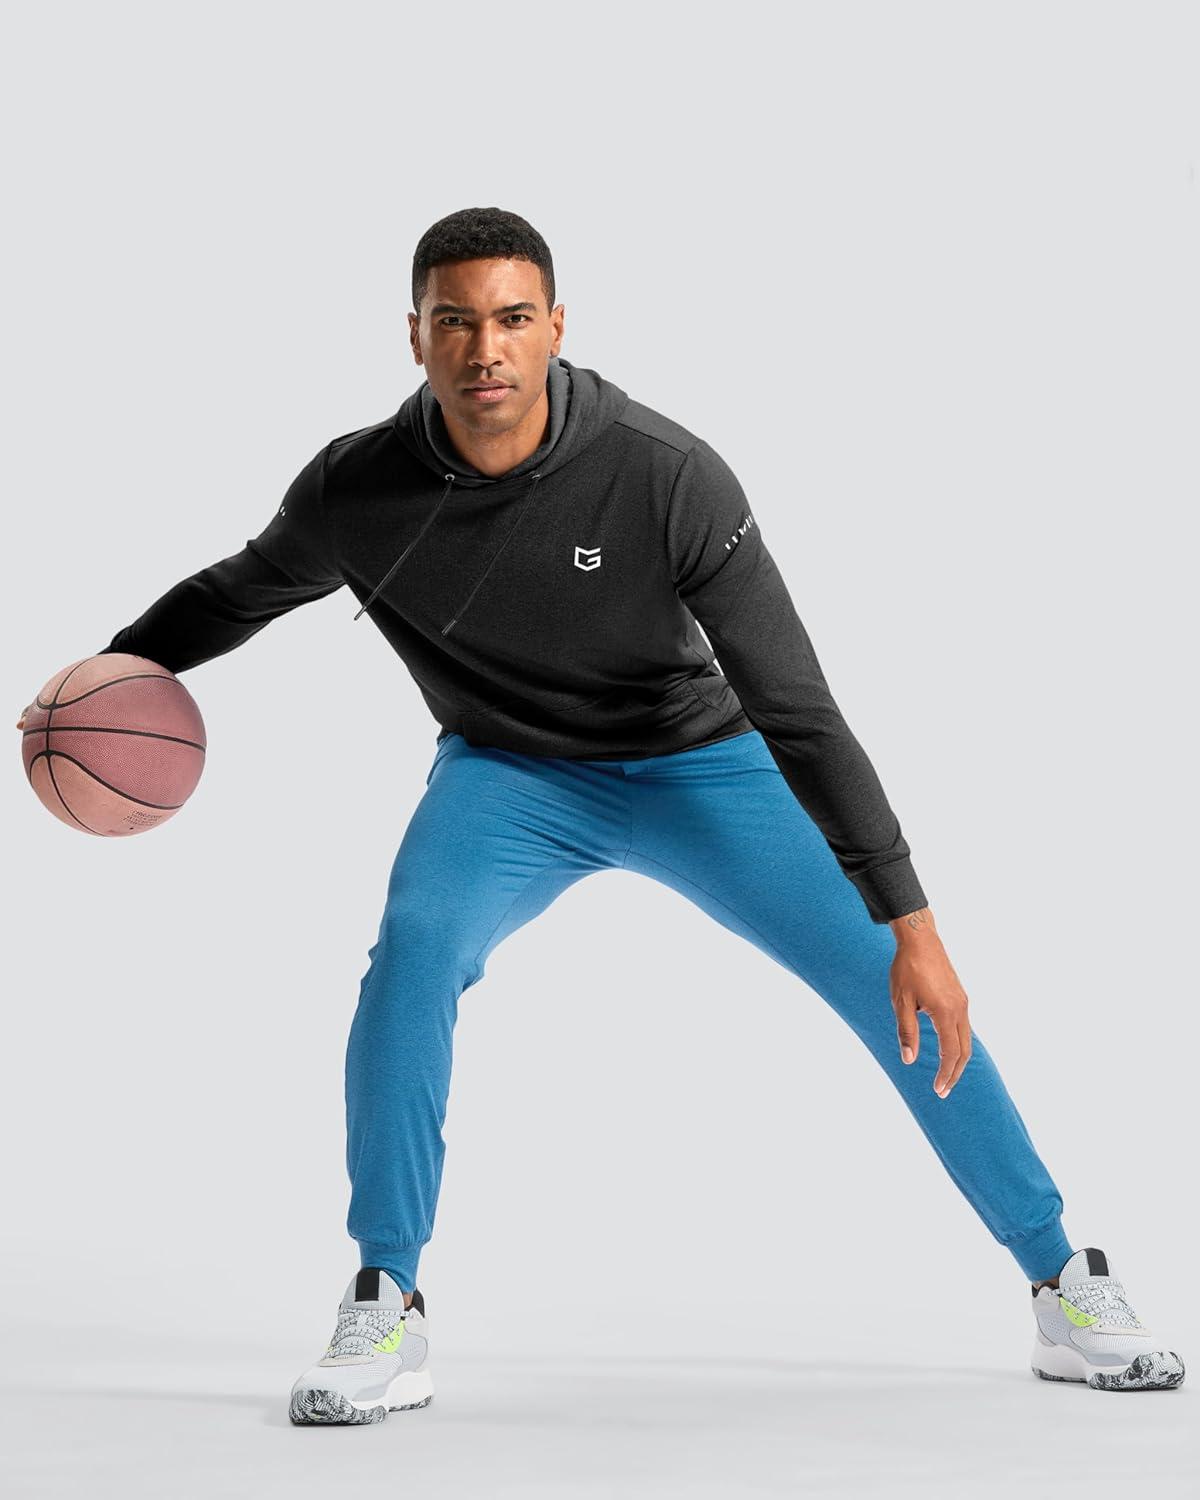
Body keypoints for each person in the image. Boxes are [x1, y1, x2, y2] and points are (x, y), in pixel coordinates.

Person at [23, 206, 1183, 1421]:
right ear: (413, 336)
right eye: (455, 321)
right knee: (413, 952)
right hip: (508, 776)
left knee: (888, 982)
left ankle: (1062, 1278)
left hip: (698, 765)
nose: (486, 348)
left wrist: (916, 923)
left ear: (557, 327)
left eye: (513, 318)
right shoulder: (355, 490)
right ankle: (387, 1297)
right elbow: (236, 593)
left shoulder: (662, 473)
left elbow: (798, 711)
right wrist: (90, 689)